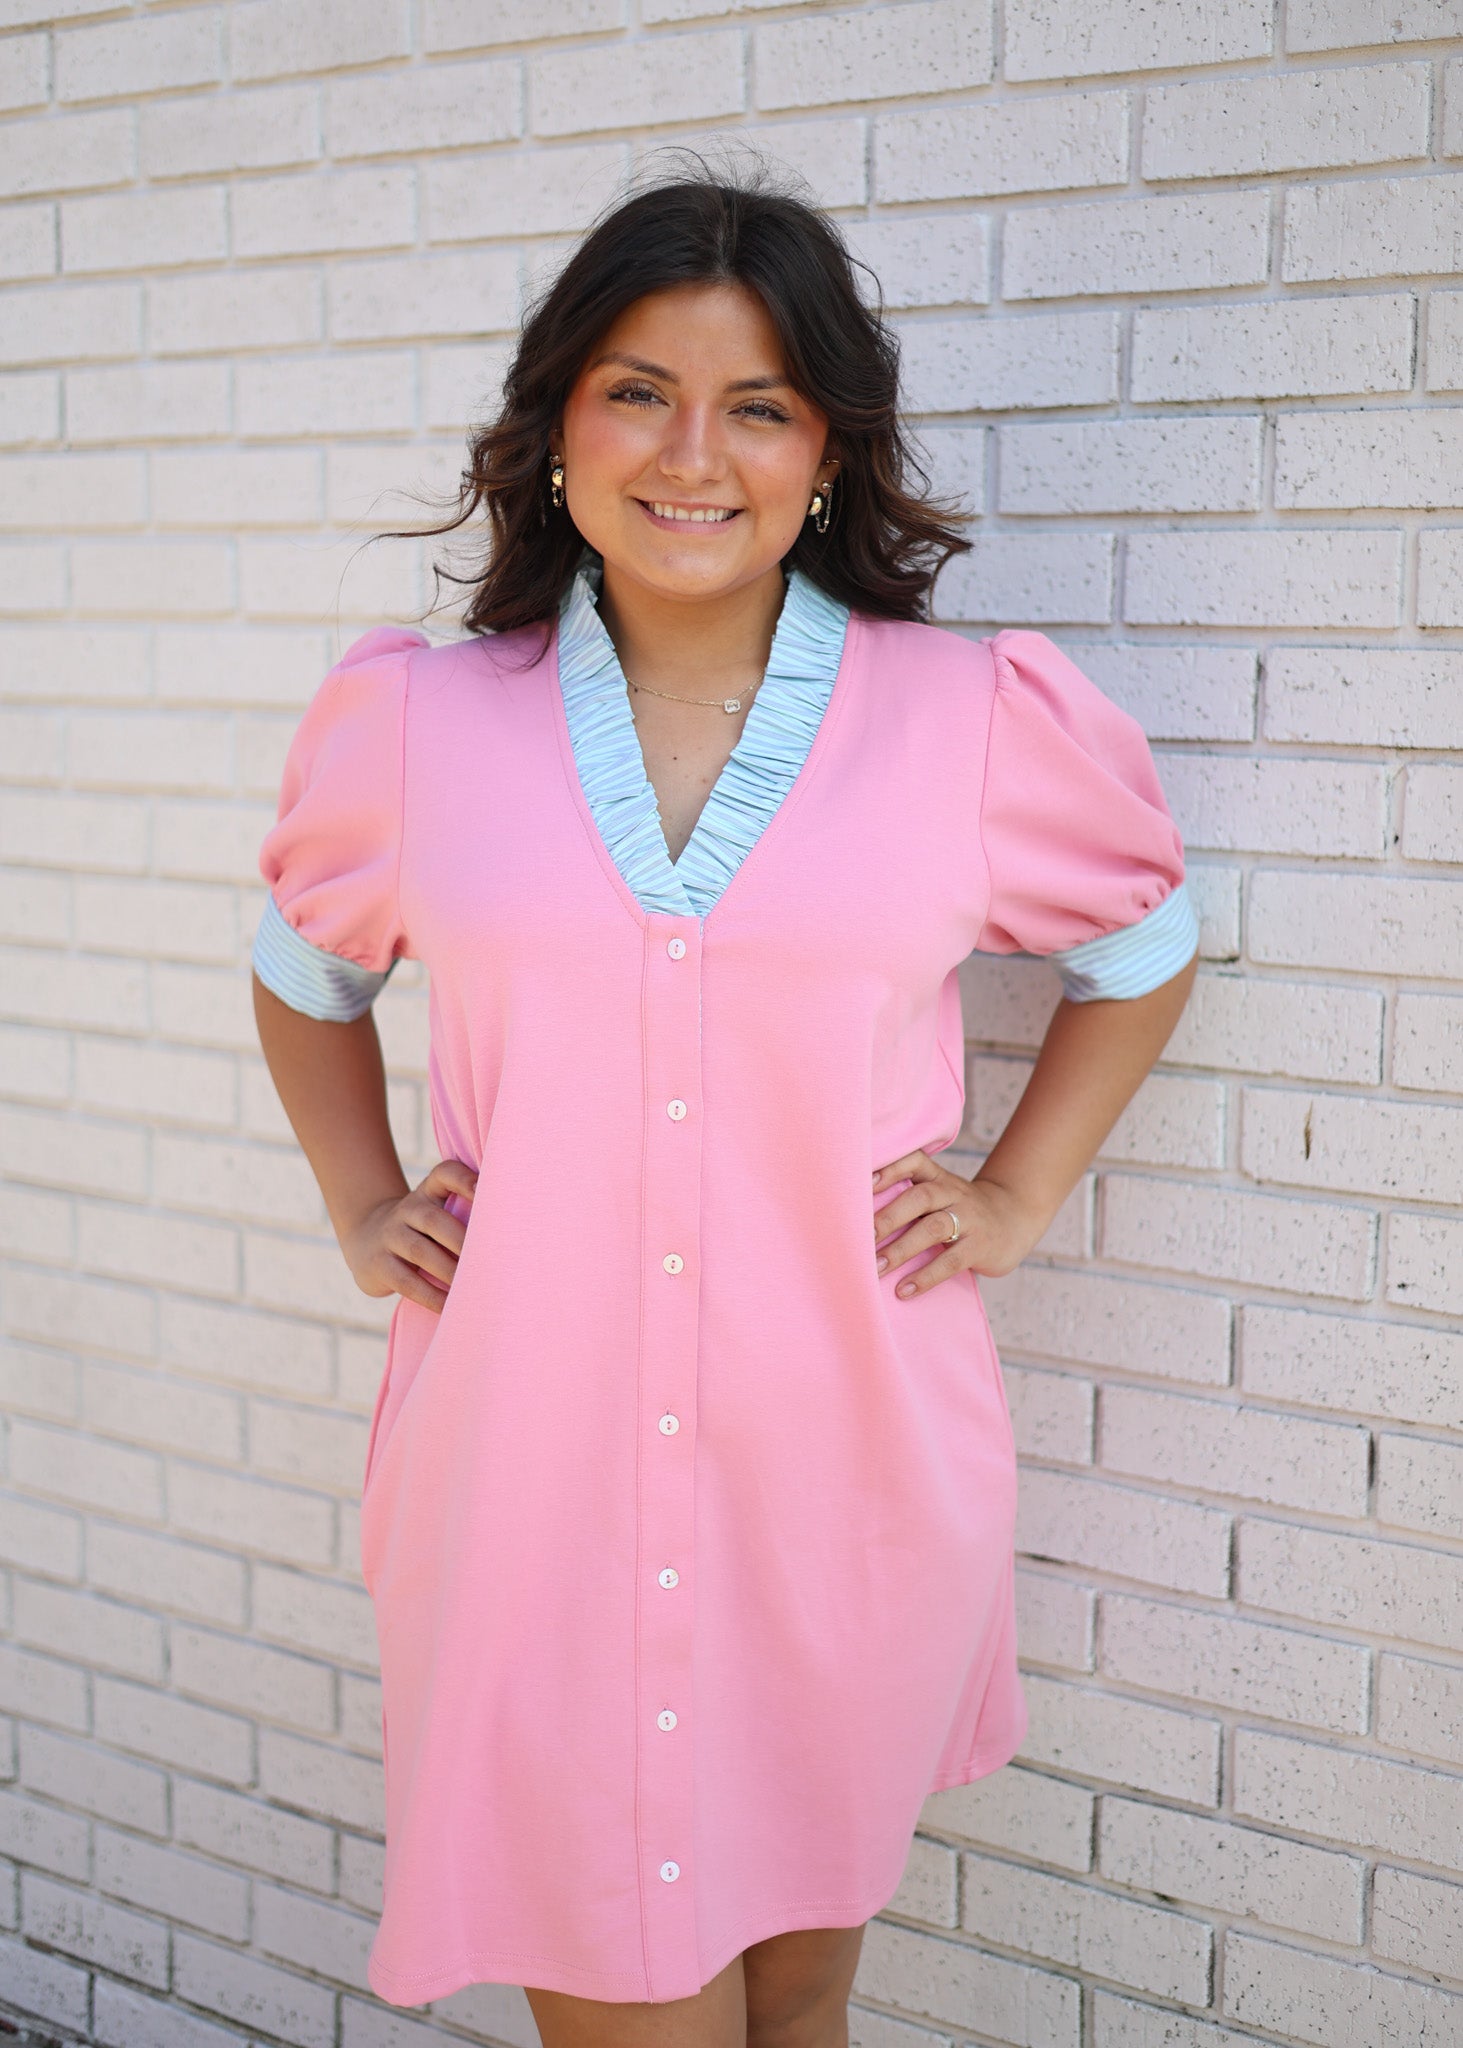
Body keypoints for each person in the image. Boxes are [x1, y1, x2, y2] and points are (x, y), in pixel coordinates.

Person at [251, 162, 1199, 2048]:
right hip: (534, 1492)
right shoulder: (423, 727)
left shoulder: (970, 724)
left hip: (841, 1490)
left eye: (758, 405)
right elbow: (303, 972)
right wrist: (364, 1203)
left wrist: (1013, 1198)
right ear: (556, 432)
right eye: (637, 391)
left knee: (798, 2012)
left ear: (828, 449)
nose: (697, 452)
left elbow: (1147, 940)